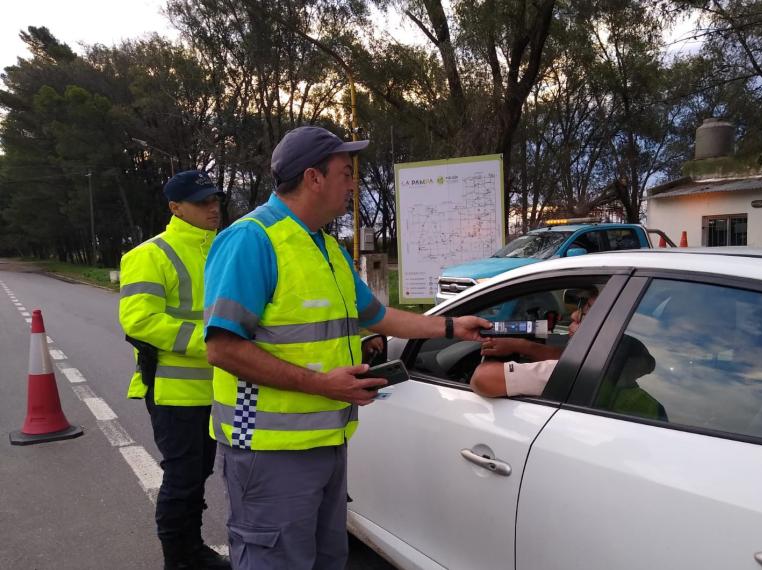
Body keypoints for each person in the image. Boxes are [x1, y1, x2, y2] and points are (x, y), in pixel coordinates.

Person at [203, 125, 491, 569]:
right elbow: (223, 348)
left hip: (326, 442)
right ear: (313, 178)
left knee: (326, 560)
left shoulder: (325, 247)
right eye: (344, 172)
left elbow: (376, 316)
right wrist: (323, 385)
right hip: (269, 450)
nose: (352, 184)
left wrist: (452, 326)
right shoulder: (252, 239)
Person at [118, 171, 231, 569]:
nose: (213, 207)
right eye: (202, 202)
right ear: (175, 208)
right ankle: (179, 559)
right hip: (173, 391)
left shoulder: (223, 248)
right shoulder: (150, 254)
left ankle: (193, 549)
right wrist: (214, 342)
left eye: (214, 199)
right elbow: (140, 321)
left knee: (197, 476)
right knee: (182, 480)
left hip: (219, 390)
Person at [471, 286, 599, 397]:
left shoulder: (581, 371)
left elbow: (483, 378)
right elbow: (566, 357)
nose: (574, 315)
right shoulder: (604, 358)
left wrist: (491, 358)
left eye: (589, 308)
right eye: (584, 306)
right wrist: (519, 346)